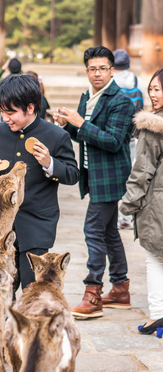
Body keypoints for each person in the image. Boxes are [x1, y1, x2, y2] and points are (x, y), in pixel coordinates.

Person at [54, 45, 135, 319]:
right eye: (92, 69)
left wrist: (80, 123)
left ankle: (93, 293)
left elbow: (113, 142)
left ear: (112, 70)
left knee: (93, 230)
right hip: (94, 175)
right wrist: (68, 125)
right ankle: (121, 289)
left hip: (110, 177)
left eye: (102, 68)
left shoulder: (121, 101)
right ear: (87, 70)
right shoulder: (87, 96)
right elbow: (84, 136)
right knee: (109, 232)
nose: (97, 73)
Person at [0, 74, 79, 292]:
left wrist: (50, 163)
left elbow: (72, 174)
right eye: (2, 112)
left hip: (35, 225)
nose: (5, 118)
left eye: (11, 112)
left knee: (30, 289)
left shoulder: (56, 136)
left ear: (31, 108)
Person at [120, 68, 163, 336]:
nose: (153, 94)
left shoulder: (153, 125)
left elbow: (143, 170)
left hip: (158, 205)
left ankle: (158, 316)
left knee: (154, 258)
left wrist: (128, 205)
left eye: (158, 88)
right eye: (151, 89)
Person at [113, 49, 145, 230]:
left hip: (114, 135)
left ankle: (117, 217)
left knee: (116, 177)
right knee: (131, 176)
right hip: (133, 135)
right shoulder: (137, 81)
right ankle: (128, 217)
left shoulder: (110, 82)